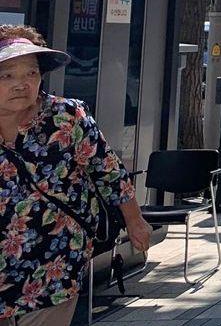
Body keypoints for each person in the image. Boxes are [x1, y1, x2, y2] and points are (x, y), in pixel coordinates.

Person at [0, 25, 151, 326]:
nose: (22, 84)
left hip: (53, 265)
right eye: (7, 75)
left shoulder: (65, 117)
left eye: (31, 73)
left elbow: (109, 172)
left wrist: (135, 220)